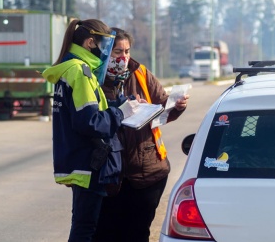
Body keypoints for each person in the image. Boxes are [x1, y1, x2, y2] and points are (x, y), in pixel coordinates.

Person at [94, 28, 189, 242]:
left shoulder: (140, 73)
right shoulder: (93, 79)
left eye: (127, 51)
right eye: (118, 51)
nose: (124, 57)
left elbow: (163, 107)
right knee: (105, 233)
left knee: (137, 233)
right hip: (110, 175)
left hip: (147, 173)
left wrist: (177, 105)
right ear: (105, 52)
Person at [42, 19, 130, 242]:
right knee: (85, 229)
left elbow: (87, 112)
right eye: (107, 46)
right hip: (88, 162)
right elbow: (89, 121)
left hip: (80, 159)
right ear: (91, 42)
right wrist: (122, 114)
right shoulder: (80, 72)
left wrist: (117, 106)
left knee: (83, 225)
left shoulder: (71, 69)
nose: (108, 53)